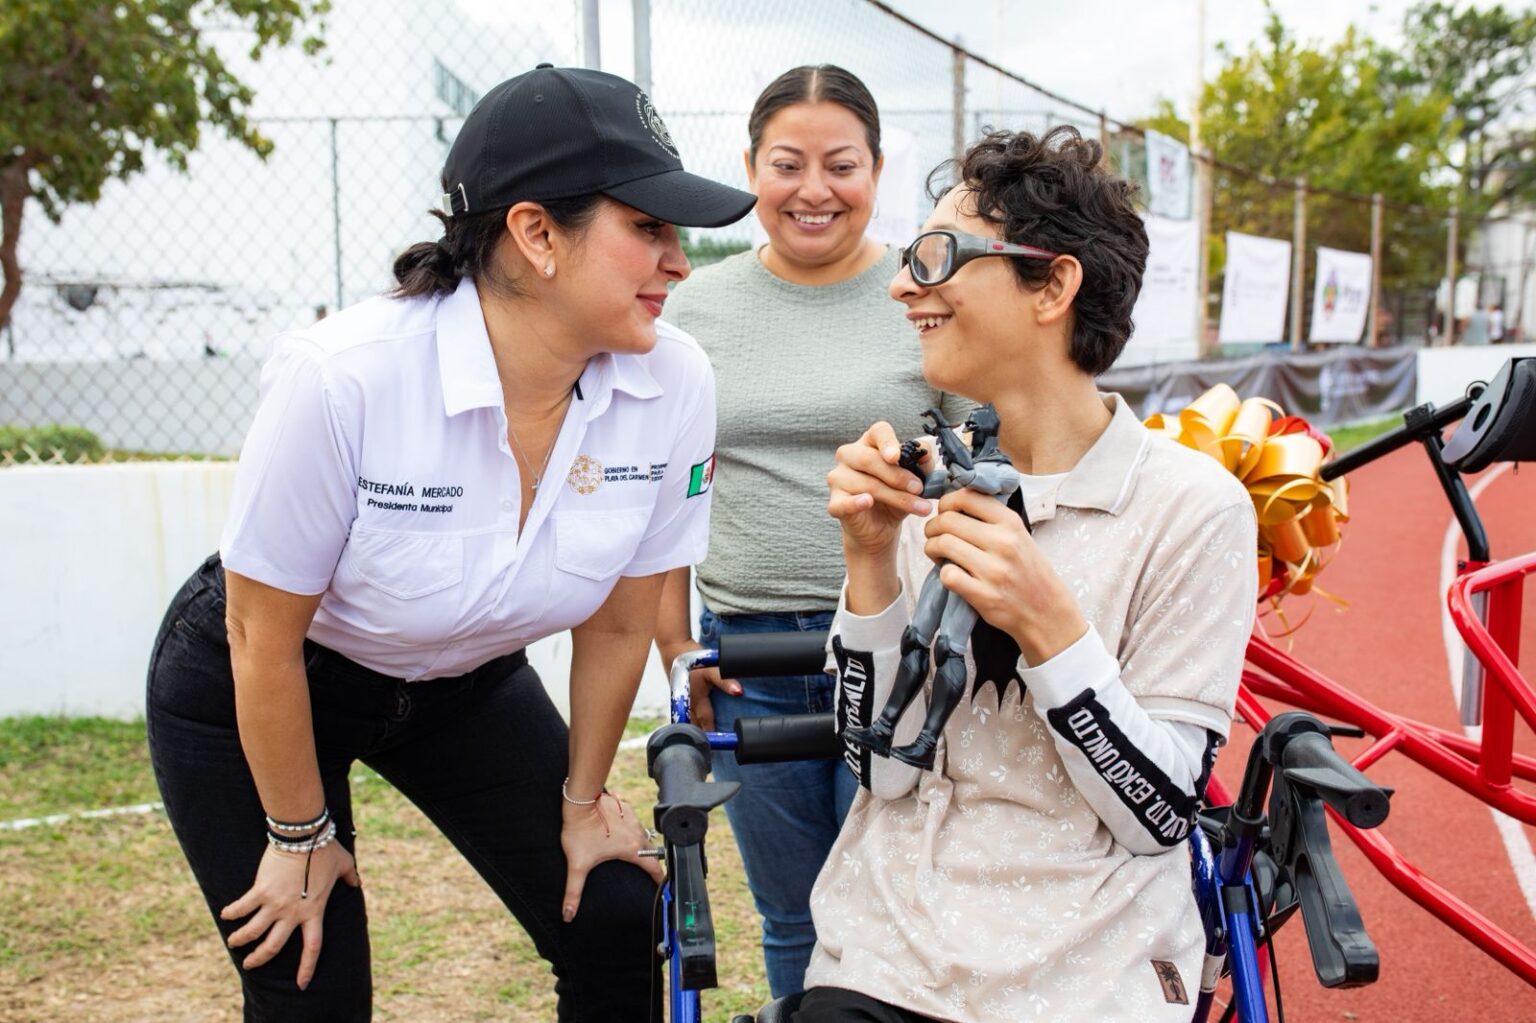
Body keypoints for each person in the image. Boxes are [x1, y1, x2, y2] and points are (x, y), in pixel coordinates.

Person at [144, 64, 755, 1023]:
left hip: (461, 682)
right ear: (536, 233)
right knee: (310, 979)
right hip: (267, 676)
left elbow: (622, 612)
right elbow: (260, 636)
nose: (679, 261)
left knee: (620, 919)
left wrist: (584, 798)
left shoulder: (675, 379)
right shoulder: (344, 377)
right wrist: (298, 838)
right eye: (648, 228)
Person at [799, 126, 1258, 1022]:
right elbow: (878, 769)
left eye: (935, 256)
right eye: (906, 258)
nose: (901, 283)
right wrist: (867, 563)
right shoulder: (927, 478)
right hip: (889, 954)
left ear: (1051, 283)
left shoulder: (1192, 508)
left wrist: (1052, 627)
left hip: (1089, 968)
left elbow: (1160, 815)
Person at [655, 64, 972, 1000]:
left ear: (877, 169)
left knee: (898, 902)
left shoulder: (926, 293)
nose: (814, 190)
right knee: (793, 911)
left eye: (842, 164)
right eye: (787, 164)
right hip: (750, 653)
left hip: (904, 641)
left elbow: (980, 457)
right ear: (751, 165)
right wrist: (679, 647)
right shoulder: (693, 309)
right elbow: (664, 497)